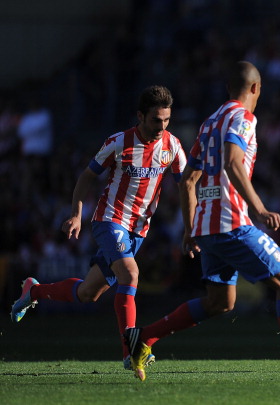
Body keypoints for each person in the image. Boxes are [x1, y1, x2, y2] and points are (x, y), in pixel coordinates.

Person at [123, 61, 280, 384]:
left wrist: (190, 229)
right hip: (232, 223)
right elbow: (233, 162)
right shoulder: (244, 118)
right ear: (256, 88)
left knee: (220, 302)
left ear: (228, 88)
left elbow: (187, 181)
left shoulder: (209, 122)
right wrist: (260, 208)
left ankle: (143, 337)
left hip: (207, 227)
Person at [11, 85, 187, 370]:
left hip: (138, 230)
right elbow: (87, 176)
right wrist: (76, 214)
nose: (162, 126)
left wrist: (193, 224)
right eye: (157, 120)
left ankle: (33, 291)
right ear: (140, 116)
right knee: (130, 274)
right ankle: (131, 351)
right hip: (110, 220)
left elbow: (186, 186)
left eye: (167, 120)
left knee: (87, 293)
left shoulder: (173, 146)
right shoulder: (119, 142)